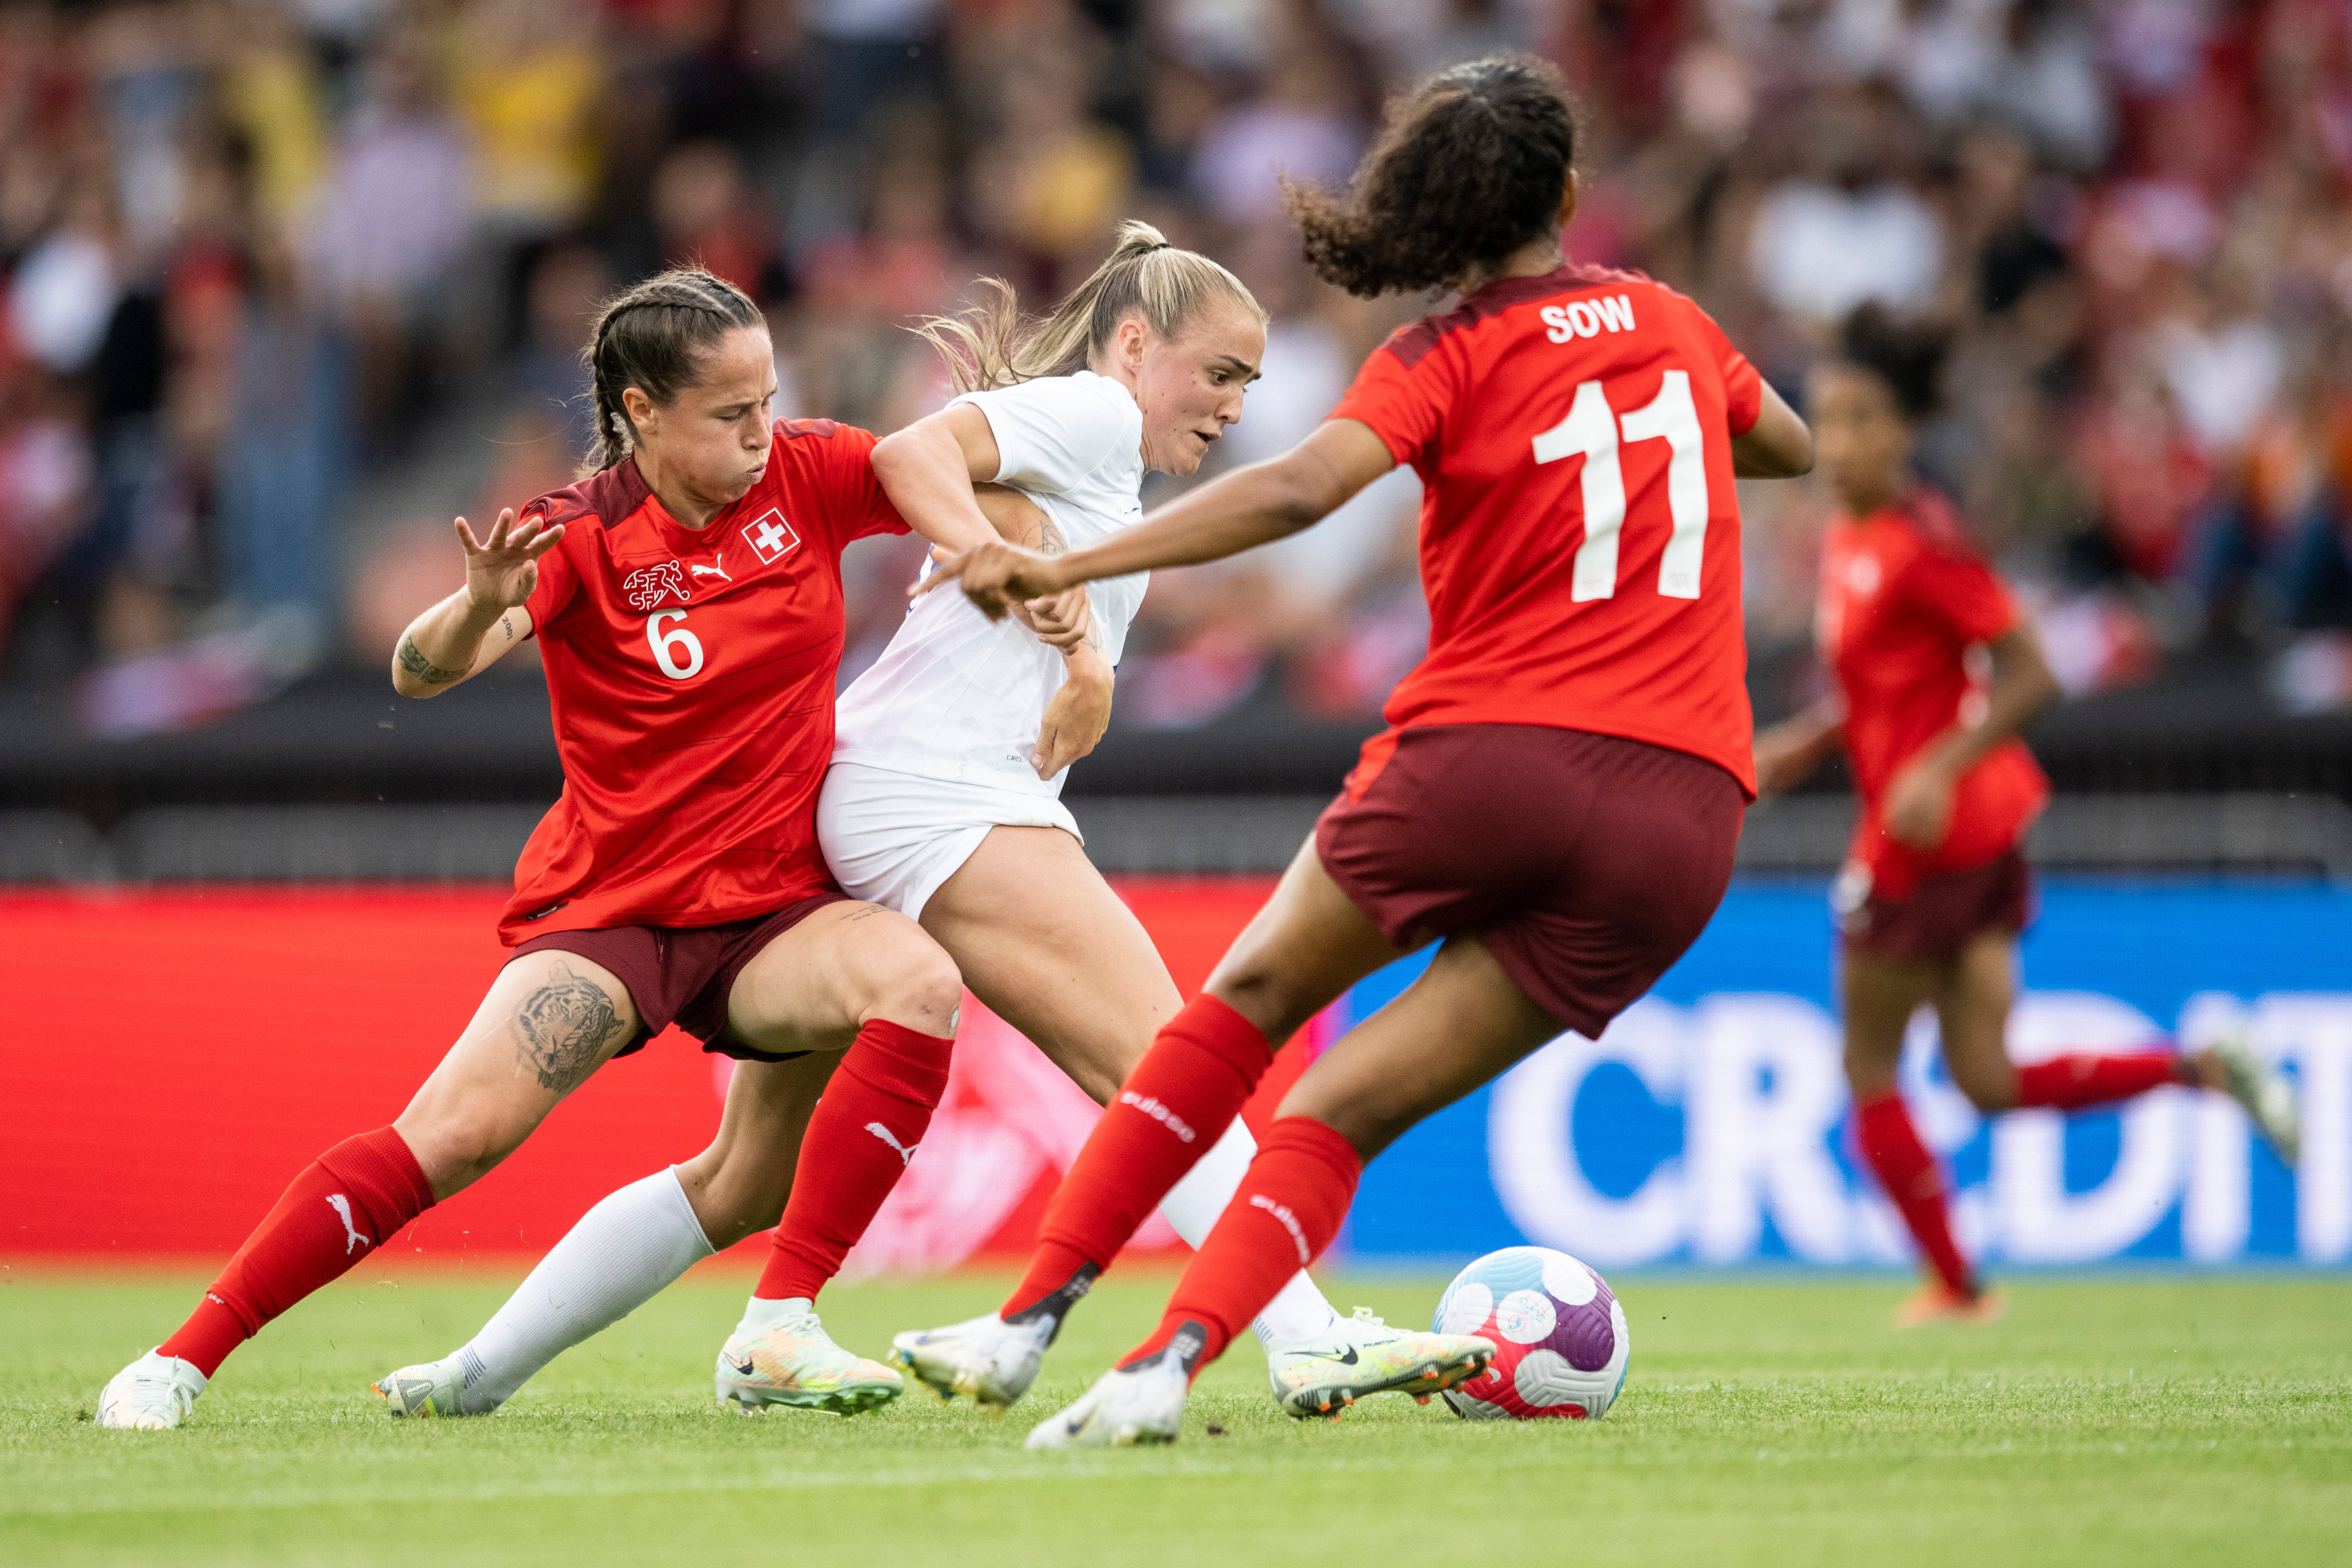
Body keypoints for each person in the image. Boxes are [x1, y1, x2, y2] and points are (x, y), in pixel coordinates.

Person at [892, 53, 1817, 1447]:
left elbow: (1299, 490)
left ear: (1430, 208)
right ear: (1568, 194)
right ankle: (1167, 1366)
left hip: (1491, 756)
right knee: (1337, 1114)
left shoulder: (1439, 351)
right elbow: (1789, 446)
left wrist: (1083, 558)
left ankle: (1026, 1320)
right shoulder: (1677, 328)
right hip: (1680, 818)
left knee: (1242, 1007)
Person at [369, 224, 1384, 1426]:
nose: (1232, 405)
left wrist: (1050, 607)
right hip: (936, 795)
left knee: (743, 1179)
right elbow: (916, 451)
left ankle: (480, 1372)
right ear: (1129, 345)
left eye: (1249, 384)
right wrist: (994, 564)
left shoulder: (1095, 462)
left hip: (869, 794)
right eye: (1219, 373)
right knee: (1163, 1061)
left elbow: (974, 493)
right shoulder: (1099, 416)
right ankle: (1304, 1332)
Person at [97, 268, 995, 1430]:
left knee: (915, 987)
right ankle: (179, 1359)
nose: (760, 431)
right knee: (454, 1137)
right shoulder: (577, 535)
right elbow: (417, 671)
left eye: (769, 399)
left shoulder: (807, 472)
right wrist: (476, 608)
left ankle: (781, 1322)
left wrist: (1013, 525)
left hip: (776, 911)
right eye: (731, 413)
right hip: (613, 913)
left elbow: (936, 459)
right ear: (640, 411)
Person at [1749, 305, 2301, 1327]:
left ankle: (1958, 1289)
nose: (1841, 444)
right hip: (1981, 830)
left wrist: (1935, 769)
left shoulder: (1923, 542)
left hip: (1924, 836)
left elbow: (2034, 672)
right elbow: (1891, 684)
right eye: (1828, 419)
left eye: (1864, 419)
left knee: (1868, 1067)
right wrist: (1813, 739)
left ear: (1908, 430)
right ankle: (2201, 1066)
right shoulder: (1851, 534)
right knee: (1989, 1080)